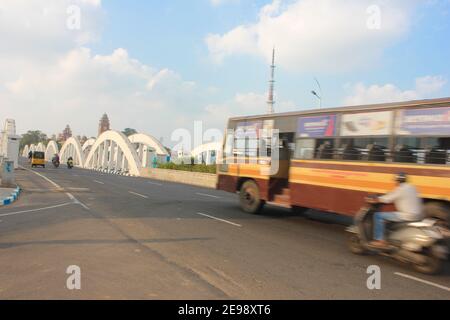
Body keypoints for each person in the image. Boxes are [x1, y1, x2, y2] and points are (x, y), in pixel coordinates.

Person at [370, 172, 424, 248]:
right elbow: (399, 197)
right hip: (418, 215)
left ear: (398, 181)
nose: (395, 182)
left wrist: (375, 200)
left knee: (378, 216)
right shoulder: (413, 187)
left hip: (407, 215)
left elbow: (387, 199)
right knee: (389, 215)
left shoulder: (400, 189)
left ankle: (380, 240)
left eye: (395, 181)